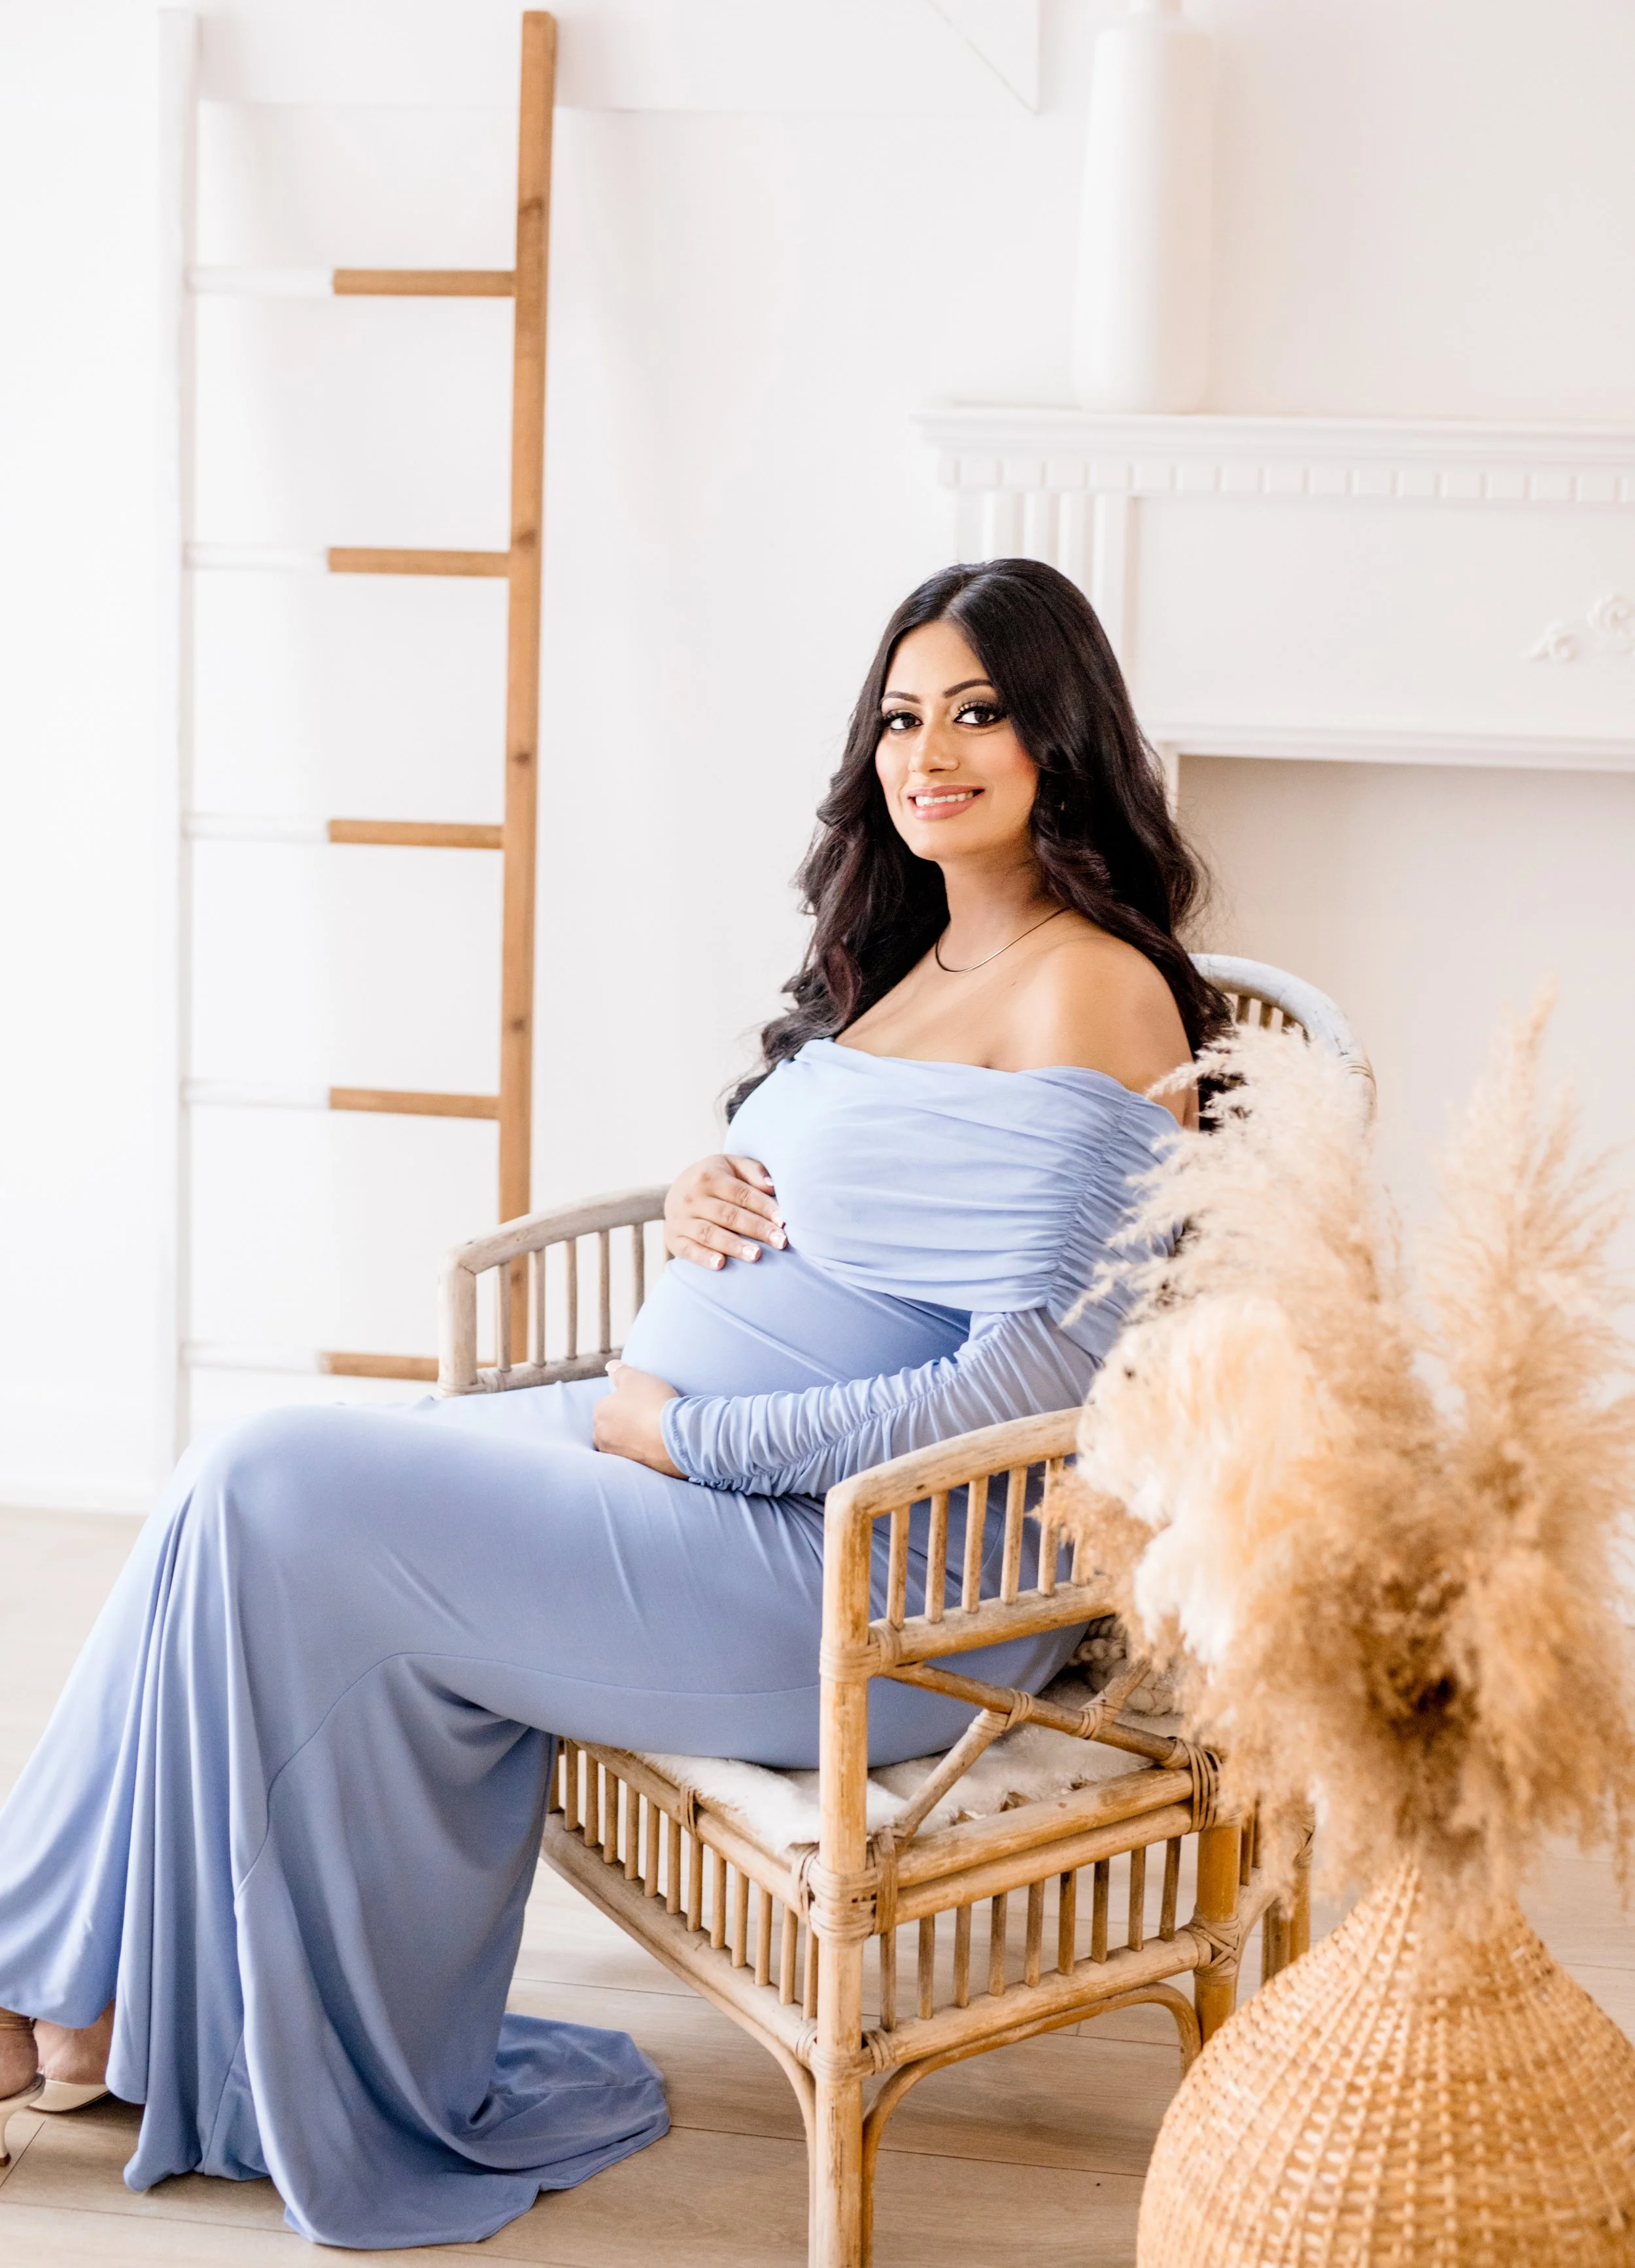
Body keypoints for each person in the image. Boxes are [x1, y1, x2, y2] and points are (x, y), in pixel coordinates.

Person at [0, 558, 1225, 2248]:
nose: (927, 751)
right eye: (899, 715)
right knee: (227, 1497)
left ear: (1058, 733)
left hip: (858, 1572)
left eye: (977, 711)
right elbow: (863, 1210)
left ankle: (36, 2004)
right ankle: (87, 2004)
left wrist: (684, 1428)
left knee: (268, 1477)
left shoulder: (1091, 986)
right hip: (704, 1489)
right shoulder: (923, 956)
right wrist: (709, 1188)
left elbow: (1020, 1391)